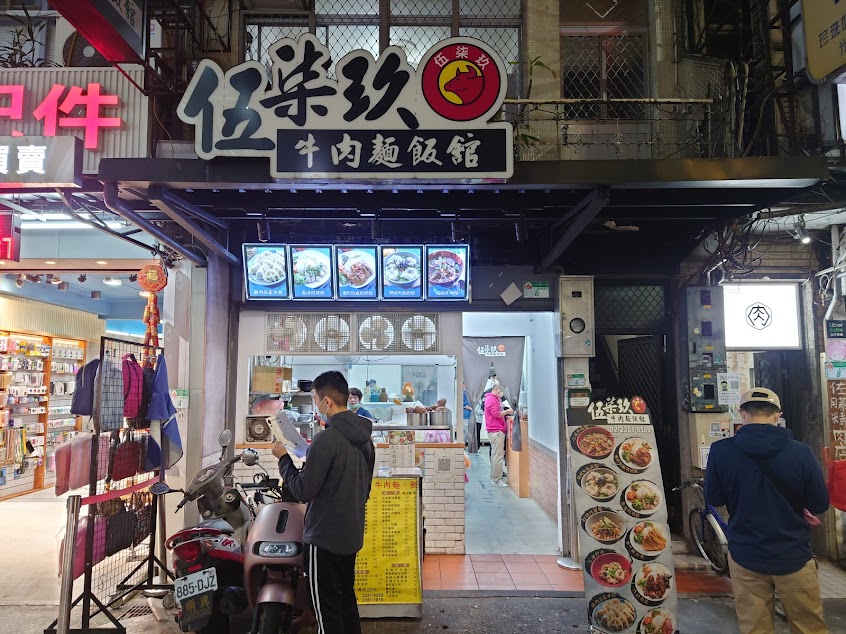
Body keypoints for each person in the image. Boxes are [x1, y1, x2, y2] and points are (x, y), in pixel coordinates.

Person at [705, 388, 829, 634]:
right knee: (809, 627)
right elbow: (819, 504)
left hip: (745, 554)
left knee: (755, 629)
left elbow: (714, 498)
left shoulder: (720, 451)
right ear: (778, 415)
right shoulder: (801, 452)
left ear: (742, 413)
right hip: (793, 554)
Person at [272, 371, 376, 634]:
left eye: (315, 399)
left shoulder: (326, 439)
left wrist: (284, 459)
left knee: (326, 613)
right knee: (345, 604)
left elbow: (302, 491)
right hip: (351, 535)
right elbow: (365, 490)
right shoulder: (366, 440)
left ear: (326, 401)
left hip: (324, 539)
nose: (316, 404)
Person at [484, 382, 512, 488]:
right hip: (496, 431)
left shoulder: (496, 399)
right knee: (498, 456)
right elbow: (496, 414)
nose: (502, 393)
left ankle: (495, 477)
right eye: (501, 391)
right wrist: (508, 411)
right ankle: (496, 480)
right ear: (496, 389)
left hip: (497, 430)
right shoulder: (491, 399)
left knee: (496, 456)